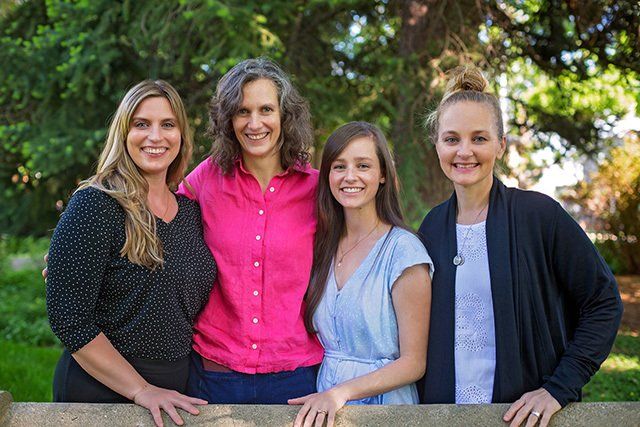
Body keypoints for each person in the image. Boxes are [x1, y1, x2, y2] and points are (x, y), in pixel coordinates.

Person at [417, 65, 623, 427]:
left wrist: (558, 388)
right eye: (452, 139)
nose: (464, 151)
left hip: (521, 417)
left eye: (479, 138)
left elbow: (602, 302)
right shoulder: (432, 227)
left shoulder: (538, 215)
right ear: (437, 144)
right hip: (444, 415)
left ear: (501, 145)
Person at [46, 80, 217, 427]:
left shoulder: (189, 212)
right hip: (101, 392)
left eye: (167, 125)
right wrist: (141, 389)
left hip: (175, 392)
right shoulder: (96, 204)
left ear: (181, 135)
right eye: (142, 124)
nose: (156, 136)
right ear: (123, 133)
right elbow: (69, 319)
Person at [178, 58, 324, 404]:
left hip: (296, 374)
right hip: (216, 372)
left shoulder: (318, 189)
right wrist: (90, 257)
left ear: (285, 115)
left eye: (266, 110)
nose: (254, 123)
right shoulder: (205, 179)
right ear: (228, 119)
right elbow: (157, 228)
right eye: (243, 111)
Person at [289, 122, 433, 427]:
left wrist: (341, 393)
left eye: (363, 165)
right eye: (339, 166)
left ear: (382, 175)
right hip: (326, 407)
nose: (349, 176)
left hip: (385, 411)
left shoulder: (404, 251)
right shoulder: (322, 246)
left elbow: (413, 363)